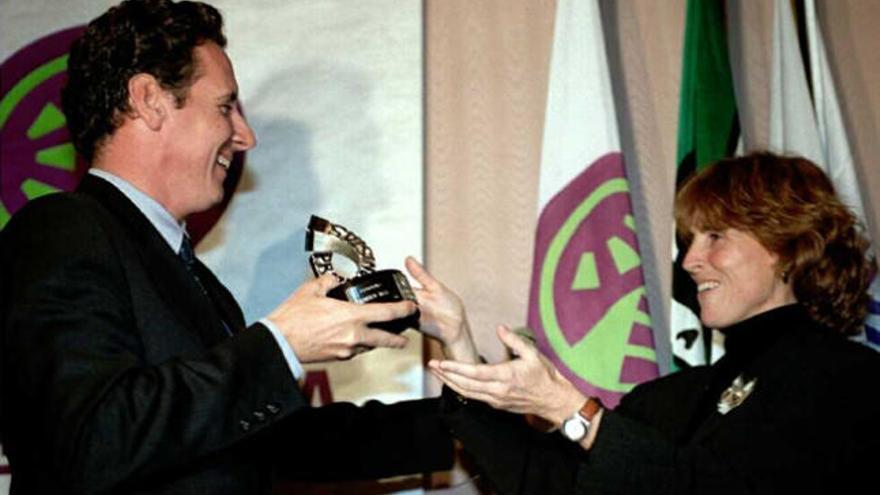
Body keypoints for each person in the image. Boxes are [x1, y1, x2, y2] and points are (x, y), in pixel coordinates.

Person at [0, 1, 462, 493]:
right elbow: (92, 437)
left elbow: (279, 446)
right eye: (225, 107)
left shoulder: (194, 278)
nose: (245, 136)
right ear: (149, 99)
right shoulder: (60, 229)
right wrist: (280, 343)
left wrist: (480, 413)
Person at [420, 152, 880, 494]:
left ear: (788, 246)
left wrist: (567, 406)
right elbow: (547, 482)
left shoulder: (848, 381)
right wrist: (457, 341)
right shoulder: (671, 398)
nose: (692, 259)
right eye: (690, 240)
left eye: (715, 237)